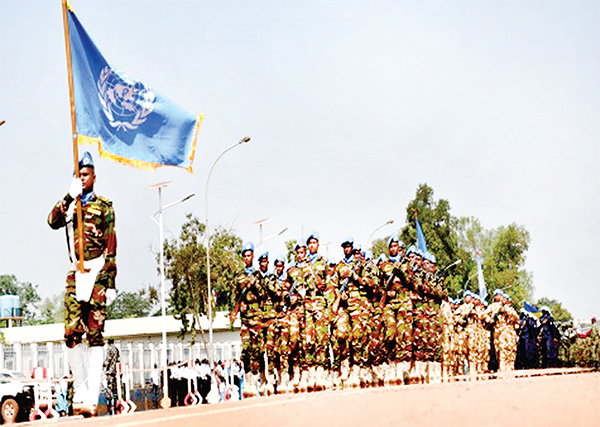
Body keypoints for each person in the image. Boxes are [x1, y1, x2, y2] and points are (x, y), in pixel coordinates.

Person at [48, 152, 117, 415]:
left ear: (94, 177)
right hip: (75, 273)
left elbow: (111, 245)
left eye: (86, 174)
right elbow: (52, 221)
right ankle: (81, 386)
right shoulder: (71, 205)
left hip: (98, 272)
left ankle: (92, 394)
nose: (83, 178)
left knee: (95, 335)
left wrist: (110, 282)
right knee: (71, 335)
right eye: (79, 174)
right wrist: (68, 195)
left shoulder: (105, 206)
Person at [103, 337, 120, 414]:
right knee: (115, 387)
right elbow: (118, 359)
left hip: (110, 371)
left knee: (109, 387)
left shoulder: (109, 349)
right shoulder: (116, 349)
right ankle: (116, 402)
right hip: (115, 371)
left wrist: (103, 365)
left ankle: (109, 405)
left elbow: (108, 360)